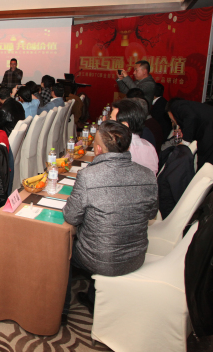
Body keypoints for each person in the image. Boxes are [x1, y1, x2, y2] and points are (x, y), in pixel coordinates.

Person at [61, 120, 158, 324]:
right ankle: (93, 295)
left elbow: (71, 217)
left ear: (98, 149)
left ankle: (62, 310)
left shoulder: (88, 176)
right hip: (136, 256)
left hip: (99, 259)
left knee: (62, 249)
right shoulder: (148, 175)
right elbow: (151, 213)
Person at [111, 98, 158, 174]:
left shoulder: (118, 147)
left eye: (111, 120)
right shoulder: (149, 146)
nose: (107, 123)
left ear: (124, 125)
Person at [167, 98, 213, 170]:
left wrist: (185, 143)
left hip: (209, 133)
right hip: (207, 134)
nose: (171, 120)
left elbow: (191, 117)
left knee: (205, 165)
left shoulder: (175, 106)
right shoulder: (191, 108)